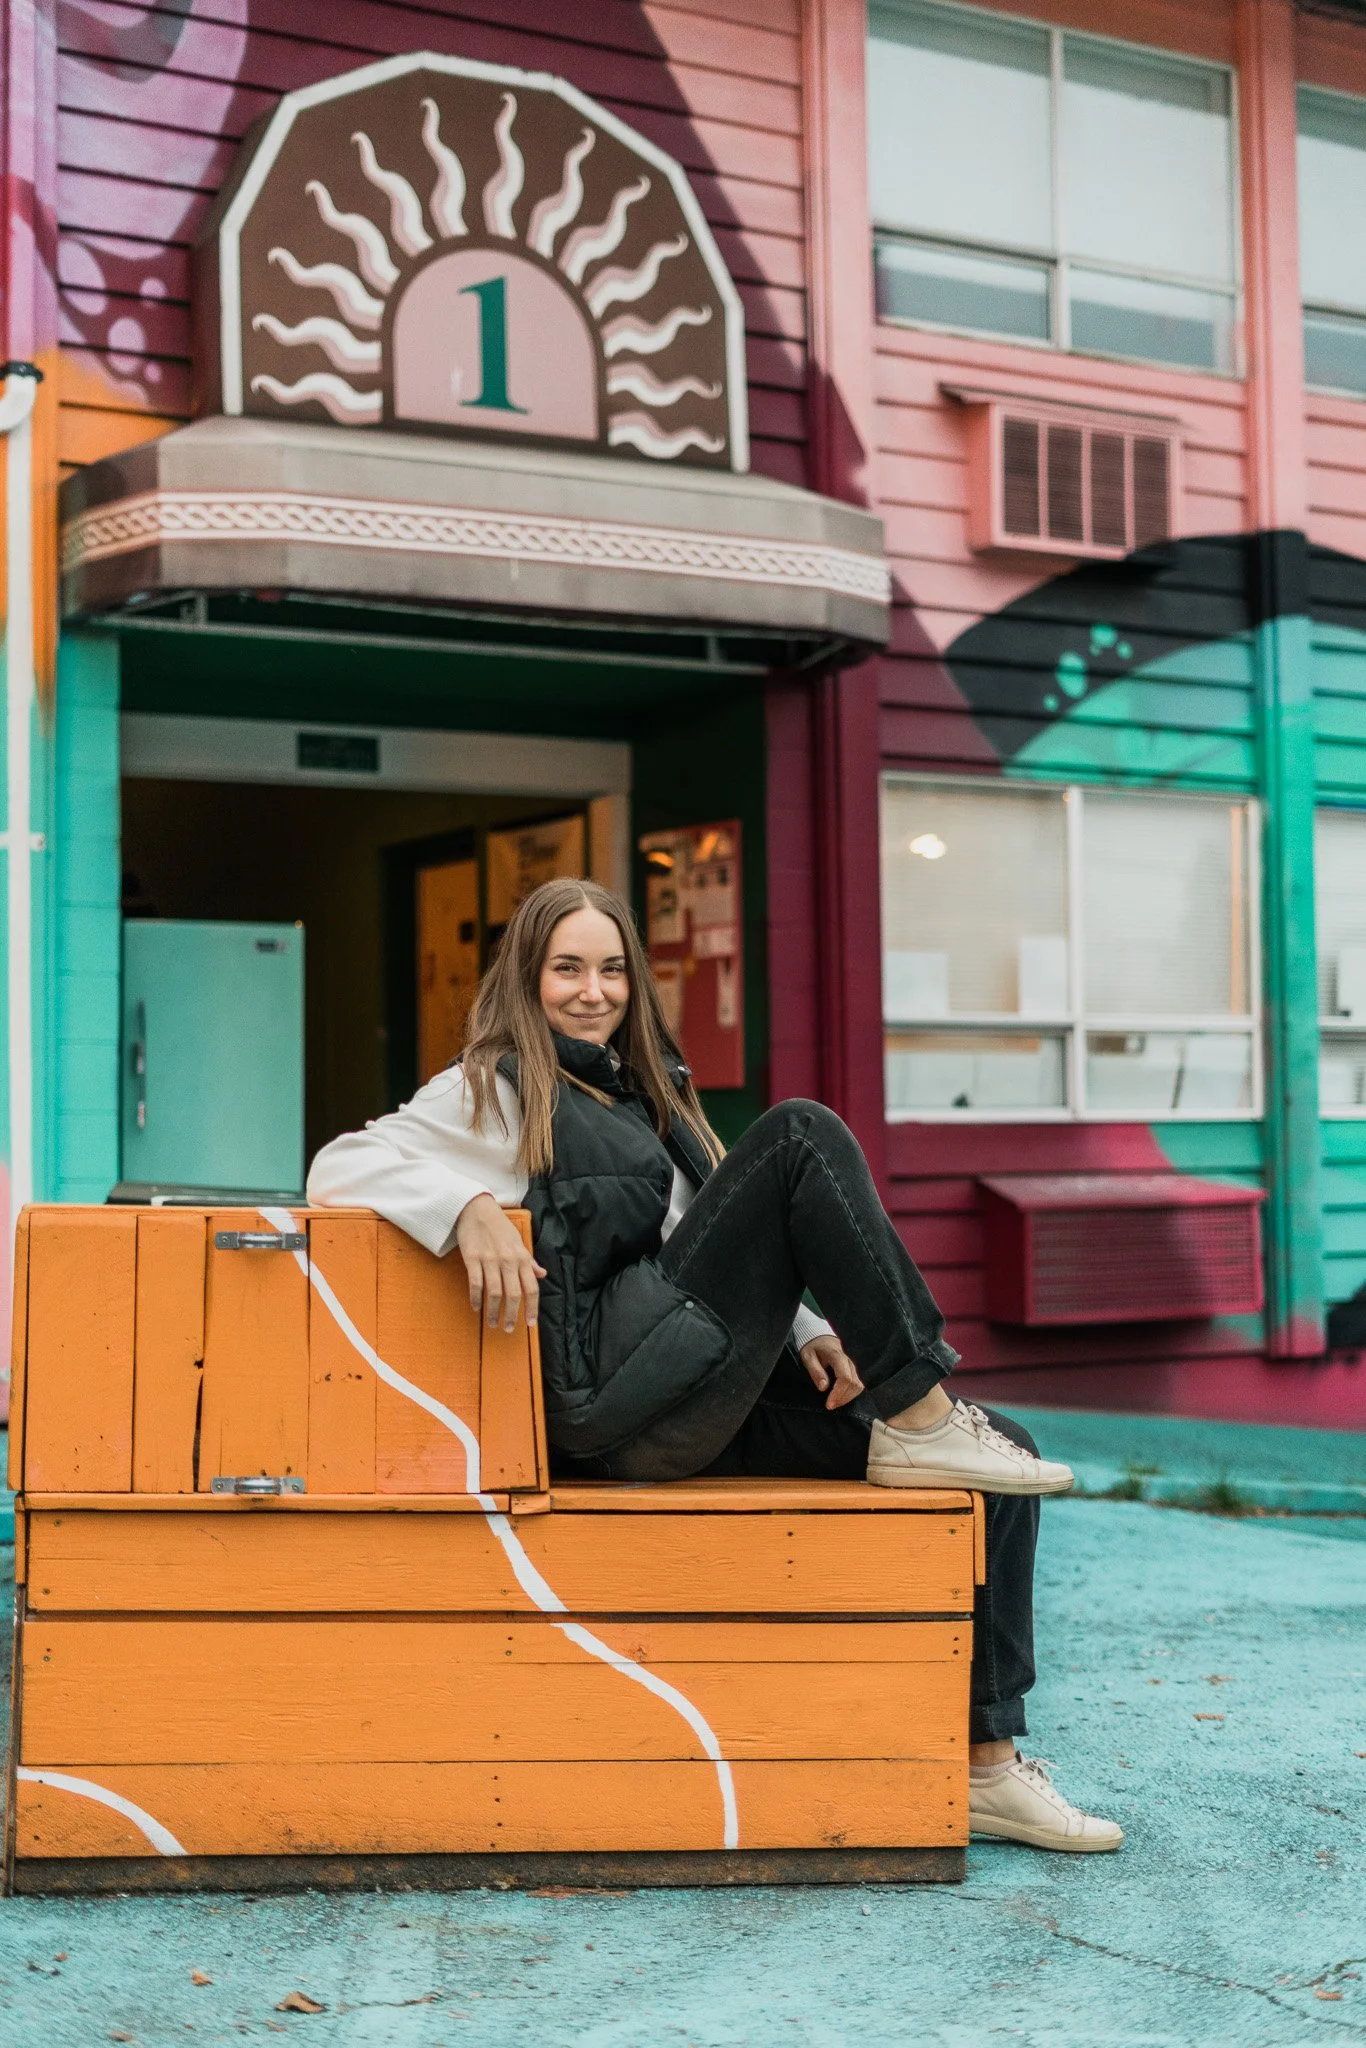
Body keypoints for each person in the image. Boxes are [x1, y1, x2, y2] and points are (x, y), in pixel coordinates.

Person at [309, 878, 1122, 1854]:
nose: (592, 990)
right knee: (800, 1133)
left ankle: (988, 1765)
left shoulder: (649, 1092)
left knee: (1003, 1463)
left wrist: (808, 1329)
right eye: (566, 968)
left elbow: (703, 1238)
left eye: (611, 969)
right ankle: (921, 1409)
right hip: (610, 1400)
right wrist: (465, 1208)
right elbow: (339, 1163)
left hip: (693, 1384)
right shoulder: (491, 1088)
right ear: (527, 978)